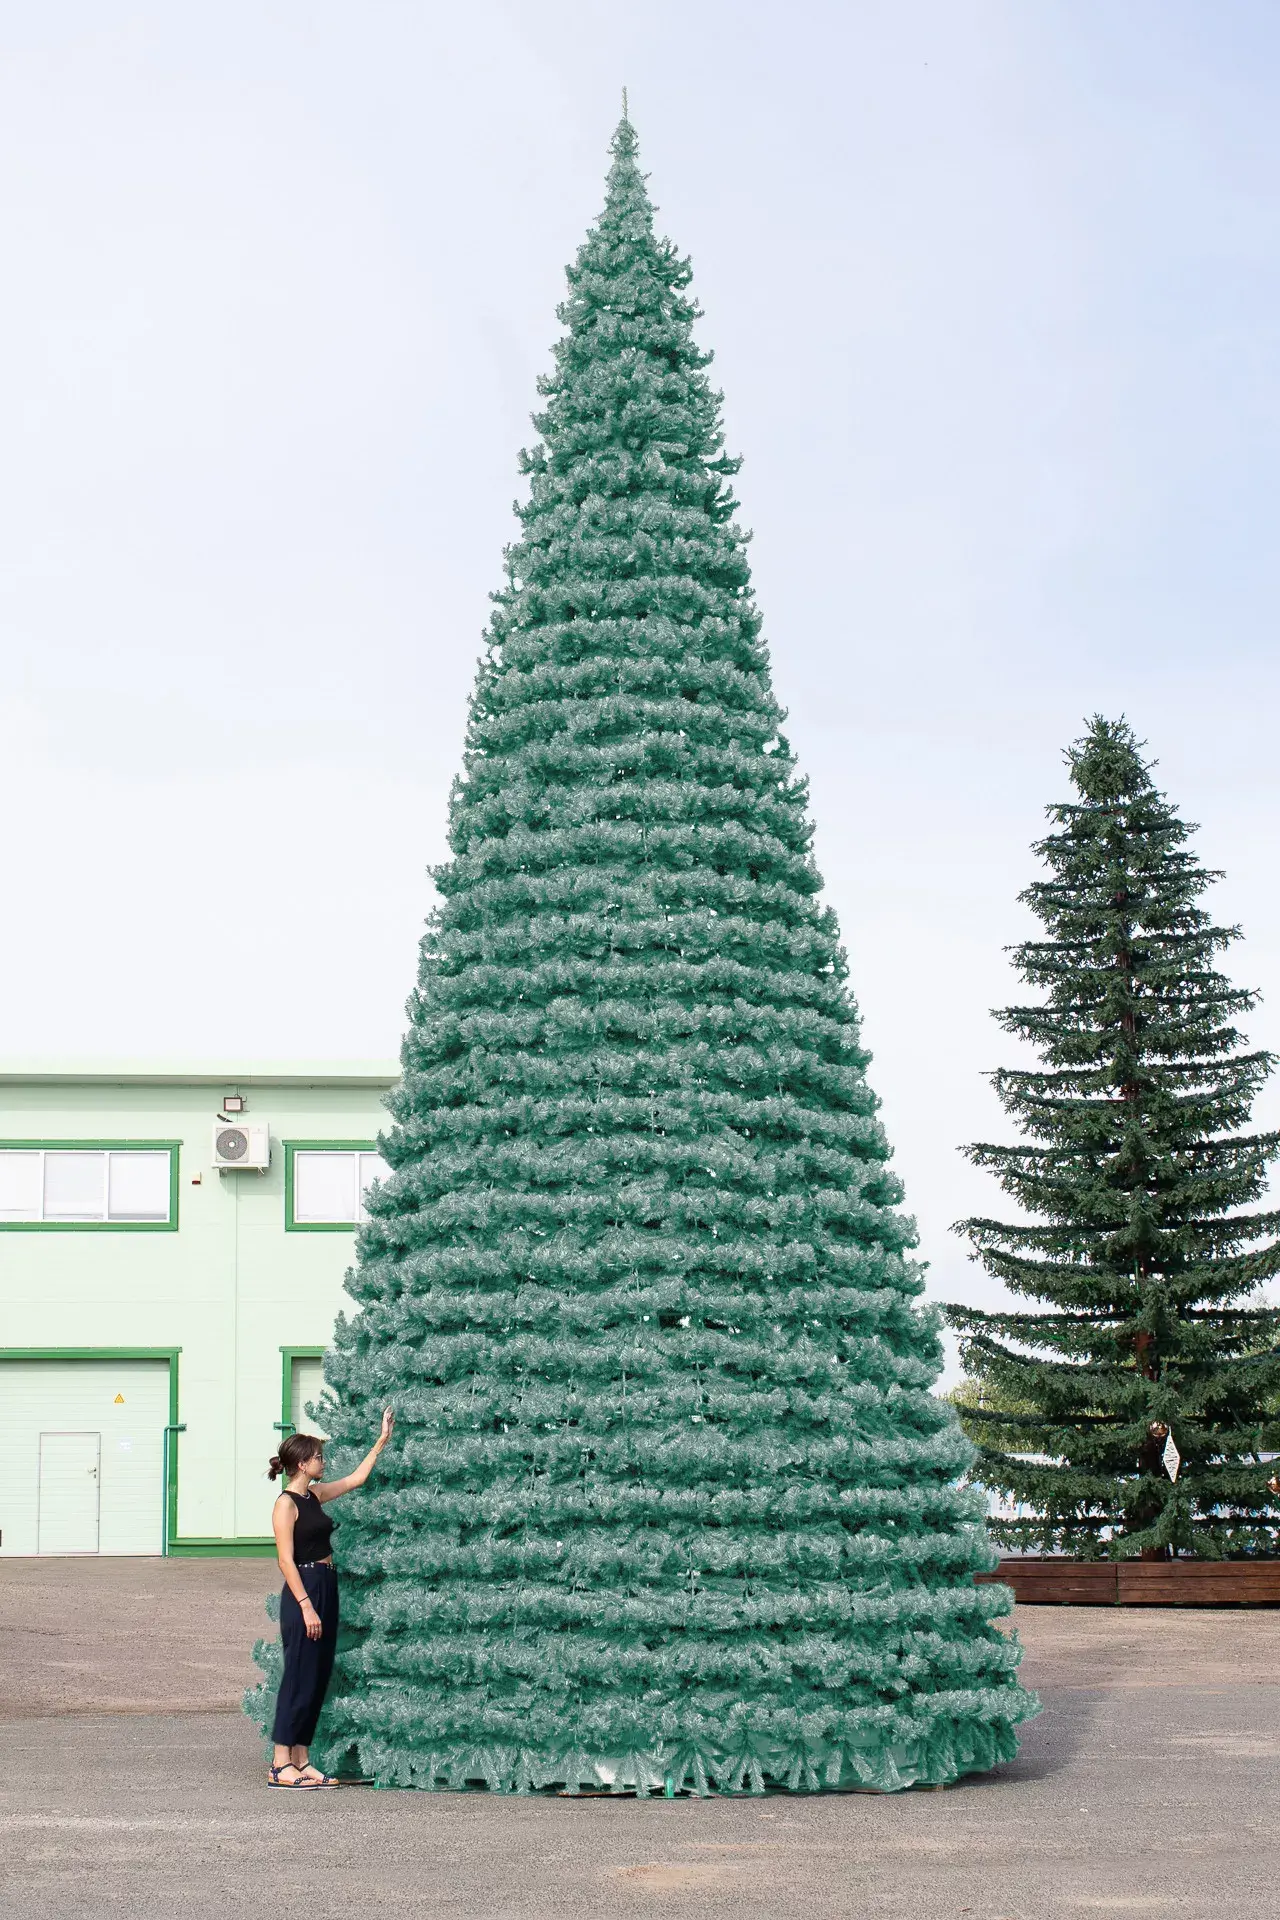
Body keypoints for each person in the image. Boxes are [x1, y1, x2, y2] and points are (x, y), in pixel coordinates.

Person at [266, 1407, 394, 1788]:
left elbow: (356, 1479)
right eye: (318, 1457)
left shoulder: (315, 1496)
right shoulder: (286, 1504)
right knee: (297, 1675)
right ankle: (279, 1764)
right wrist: (306, 1606)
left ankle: (301, 1759)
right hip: (303, 1590)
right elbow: (285, 1560)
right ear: (302, 1464)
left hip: (326, 1584)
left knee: (317, 1675)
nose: (323, 1461)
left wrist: (381, 1441)